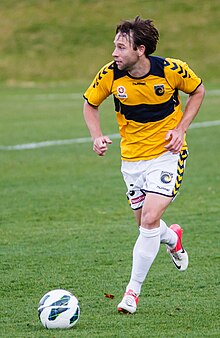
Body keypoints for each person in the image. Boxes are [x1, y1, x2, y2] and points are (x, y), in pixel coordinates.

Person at [83, 16, 205, 314]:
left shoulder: (171, 70)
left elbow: (198, 91)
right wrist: (97, 136)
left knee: (149, 220)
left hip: (167, 155)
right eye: (114, 46)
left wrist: (181, 129)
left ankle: (132, 293)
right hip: (132, 160)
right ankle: (172, 237)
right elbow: (90, 103)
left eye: (121, 47)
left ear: (140, 50)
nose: (114, 53)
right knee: (144, 225)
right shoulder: (111, 75)